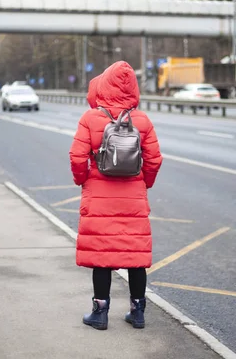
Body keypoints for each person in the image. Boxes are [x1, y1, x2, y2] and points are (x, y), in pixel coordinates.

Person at [69, 61, 163, 330]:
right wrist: (144, 183)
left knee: (102, 255)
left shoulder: (90, 119)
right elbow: (154, 160)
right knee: (135, 257)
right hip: (132, 197)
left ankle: (99, 314)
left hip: (99, 195)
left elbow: (77, 156)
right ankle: (138, 312)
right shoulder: (142, 120)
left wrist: (83, 179)